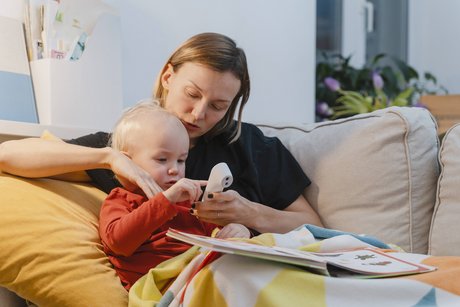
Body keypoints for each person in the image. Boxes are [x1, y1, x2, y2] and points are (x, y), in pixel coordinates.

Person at [0, 32, 323, 234]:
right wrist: (109, 157)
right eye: (192, 94)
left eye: (219, 105)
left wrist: (250, 213)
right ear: (168, 76)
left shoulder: (253, 146)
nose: (199, 114)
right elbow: (8, 156)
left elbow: (314, 225)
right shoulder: (131, 148)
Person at [99, 101, 250, 290]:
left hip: (201, 273)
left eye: (181, 160)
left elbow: (216, 233)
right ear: (128, 163)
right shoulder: (121, 199)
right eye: (162, 159)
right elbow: (119, 242)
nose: (175, 170)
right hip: (160, 285)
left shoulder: (188, 202)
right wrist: (166, 200)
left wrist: (237, 230)